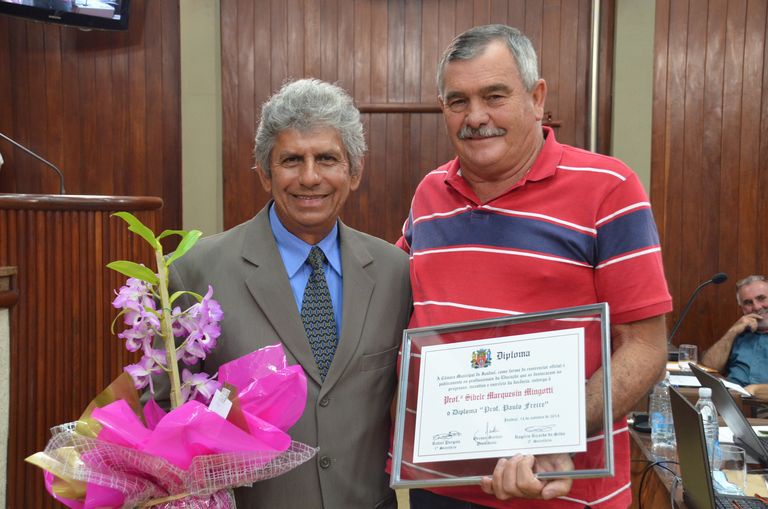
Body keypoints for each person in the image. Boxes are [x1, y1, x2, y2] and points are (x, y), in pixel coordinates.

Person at [395, 25, 672, 509]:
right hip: (441, 485)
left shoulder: (609, 188)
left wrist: (558, 431)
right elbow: (394, 305)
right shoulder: (429, 194)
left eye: (495, 96)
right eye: (457, 101)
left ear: (537, 97)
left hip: (564, 491)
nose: (476, 117)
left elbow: (646, 346)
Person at [167, 79, 411, 508]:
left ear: (354, 172)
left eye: (328, 159)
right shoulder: (194, 273)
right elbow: (164, 414)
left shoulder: (395, 274)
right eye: (292, 159)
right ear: (265, 172)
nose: (310, 177)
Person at [702, 275, 768, 398]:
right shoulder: (739, 334)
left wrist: (755, 389)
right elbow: (708, 368)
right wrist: (732, 331)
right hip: (730, 402)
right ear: (742, 308)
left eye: (761, 298)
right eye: (748, 303)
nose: (756, 307)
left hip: (762, 407)